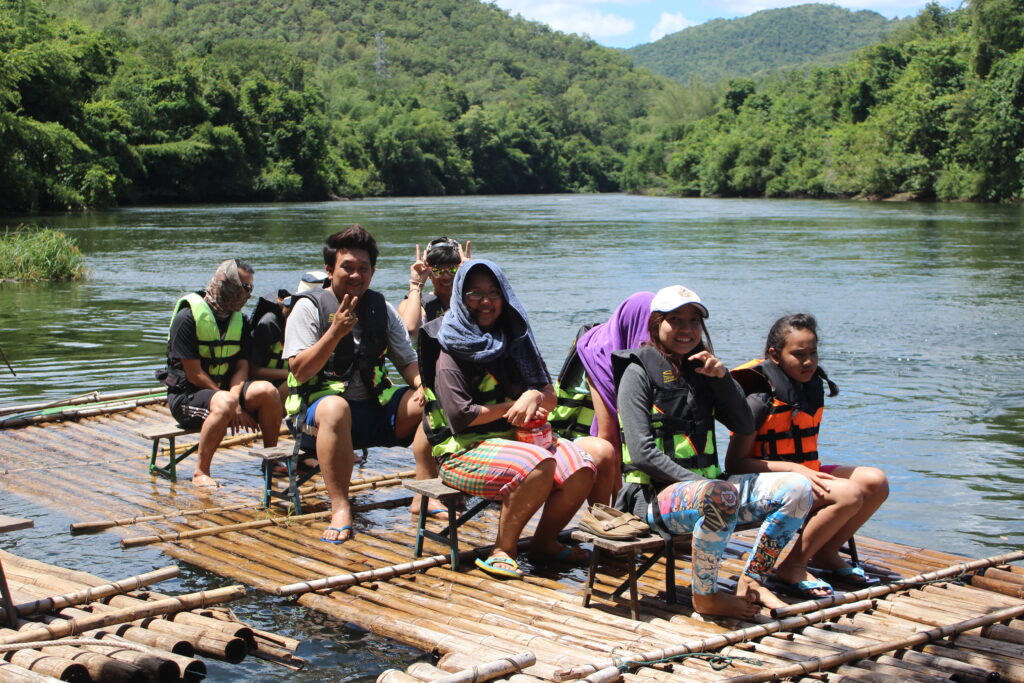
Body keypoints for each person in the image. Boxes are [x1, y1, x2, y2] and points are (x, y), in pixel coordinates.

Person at [614, 285, 816, 618]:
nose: (686, 329)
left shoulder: (702, 372)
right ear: (655, 324)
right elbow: (641, 452)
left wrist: (722, 379)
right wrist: (702, 485)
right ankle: (705, 597)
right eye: (675, 320)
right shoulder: (638, 374)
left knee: (798, 488)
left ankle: (752, 581)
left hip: (710, 494)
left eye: (694, 321)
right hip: (651, 501)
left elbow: (744, 424)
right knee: (720, 495)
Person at [420, 259, 614, 580]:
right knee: (539, 463)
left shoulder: (517, 334)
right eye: (474, 294)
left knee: (582, 466)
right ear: (459, 297)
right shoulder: (450, 347)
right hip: (463, 452)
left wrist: (534, 396)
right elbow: (460, 416)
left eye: (494, 292)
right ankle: (504, 549)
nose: (486, 302)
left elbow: (548, 395)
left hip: (519, 443)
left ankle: (544, 541)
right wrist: (516, 403)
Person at [283, 226, 437, 545]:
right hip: (317, 419)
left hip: (372, 412)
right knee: (336, 407)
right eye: (347, 267)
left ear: (373, 271)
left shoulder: (380, 307)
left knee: (433, 399)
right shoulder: (308, 307)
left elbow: (407, 360)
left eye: (362, 268)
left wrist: (422, 384)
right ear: (330, 270)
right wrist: (334, 332)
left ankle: (424, 492)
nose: (355, 275)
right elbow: (299, 370)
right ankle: (340, 507)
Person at [728, 313, 889, 589]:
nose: (808, 362)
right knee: (849, 494)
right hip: (758, 486)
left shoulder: (808, 387)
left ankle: (826, 553)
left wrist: (802, 471)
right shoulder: (759, 397)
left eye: (813, 353)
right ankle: (794, 565)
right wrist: (794, 469)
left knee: (875, 481)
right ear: (774, 355)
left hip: (804, 476)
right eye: (799, 354)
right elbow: (735, 464)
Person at [159, 259, 282, 490]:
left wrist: (235, 399)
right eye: (245, 288)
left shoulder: (240, 321)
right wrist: (230, 403)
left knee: (268, 391)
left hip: (226, 393)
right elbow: (194, 374)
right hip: (187, 396)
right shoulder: (187, 319)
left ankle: (271, 460)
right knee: (224, 402)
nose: (248, 294)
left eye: (250, 288)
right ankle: (201, 472)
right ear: (228, 286)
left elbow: (241, 368)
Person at [549, 292, 654, 503]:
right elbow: (607, 435)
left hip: (602, 443)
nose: (652, 336)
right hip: (570, 440)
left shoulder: (639, 352)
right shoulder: (599, 354)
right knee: (606, 450)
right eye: (649, 327)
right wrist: (623, 504)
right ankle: (605, 513)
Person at [397, 237, 469, 340]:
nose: (446, 276)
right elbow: (410, 329)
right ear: (429, 274)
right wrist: (416, 283)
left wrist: (469, 274)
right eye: (437, 270)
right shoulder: (417, 304)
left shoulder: (471, 301)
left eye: (452, 269)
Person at [249, 288, 292, 405]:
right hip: (263, 385)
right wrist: (292, 374)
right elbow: (253, 371)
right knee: (293, 386)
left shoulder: (307, 324)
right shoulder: (269, 324)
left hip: (287, 379)